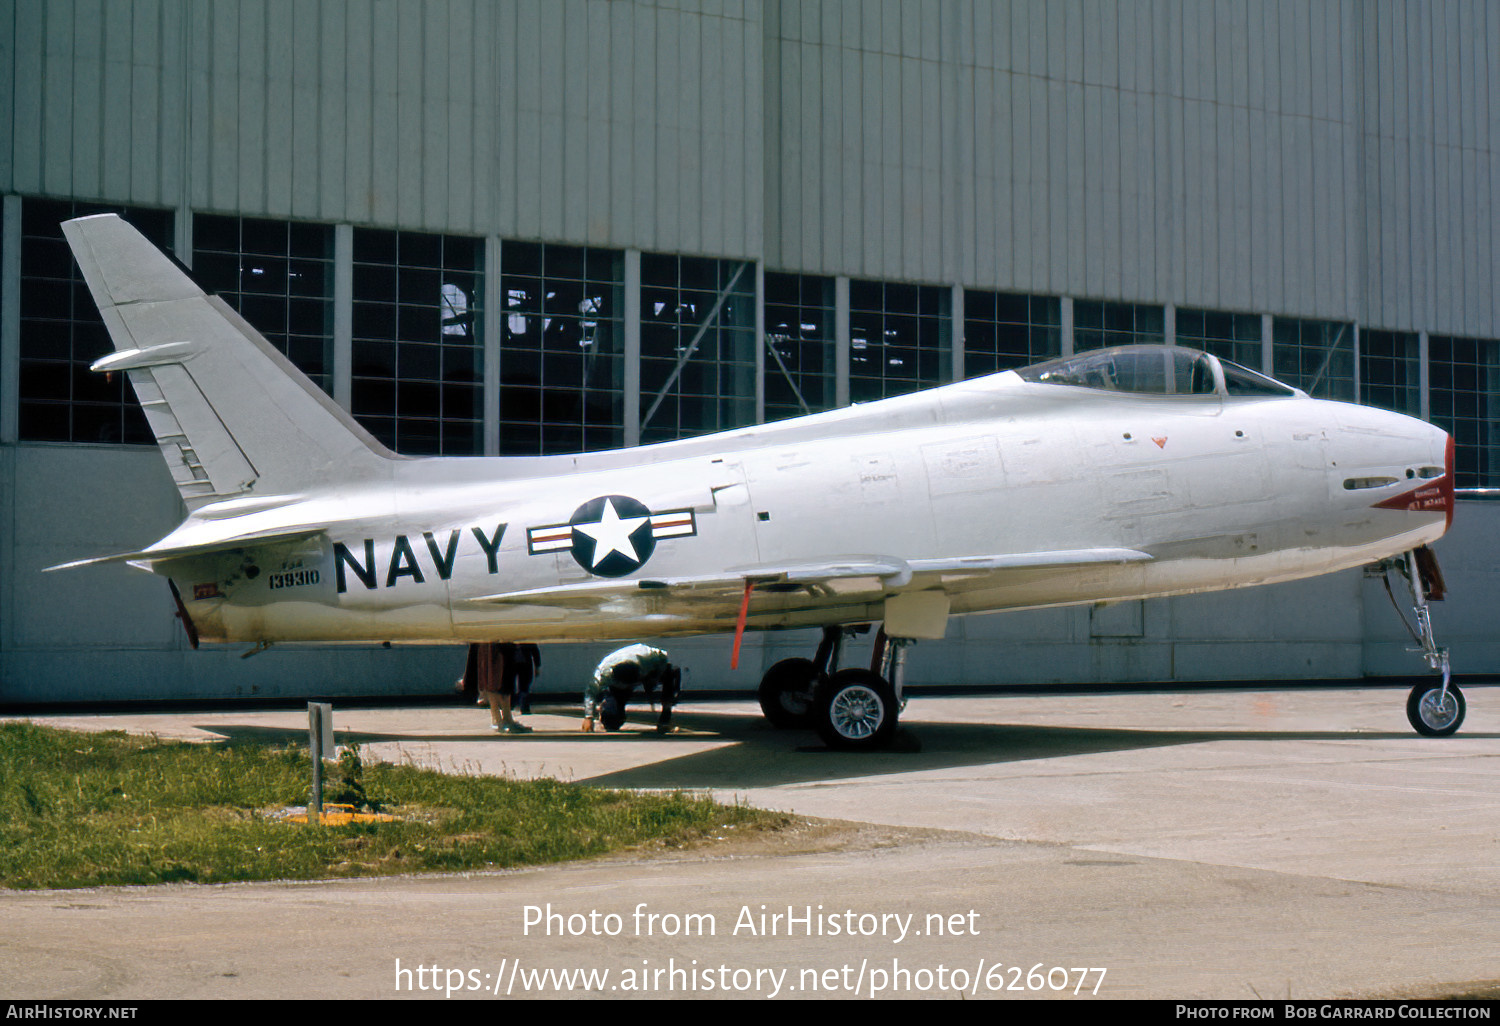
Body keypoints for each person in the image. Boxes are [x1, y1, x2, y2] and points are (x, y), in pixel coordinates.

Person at [581, 644, 680, 734]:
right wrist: (588, 717)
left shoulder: (649, 658)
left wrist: (656, 676)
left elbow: (663, 657)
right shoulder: (603, 673)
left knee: (669, 675)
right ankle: (607, 710)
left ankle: (666, 717)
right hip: (620, 677)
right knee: (612, 722)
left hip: (648, 668)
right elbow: (590, 693)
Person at [459, 642, 530, 734]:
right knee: (492, 677)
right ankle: (497, 719)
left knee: (506, 677)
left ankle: (507, 718)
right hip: (490, 642)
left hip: (503, 642)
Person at [513, 643, 542, 715]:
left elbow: (535, 651)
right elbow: (535, 651)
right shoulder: (527, 639)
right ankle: (523, 707)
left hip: (514, 662)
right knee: (524, 686)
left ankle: (511, 706)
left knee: (517, 686)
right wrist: (537, 666)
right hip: (524, 662)